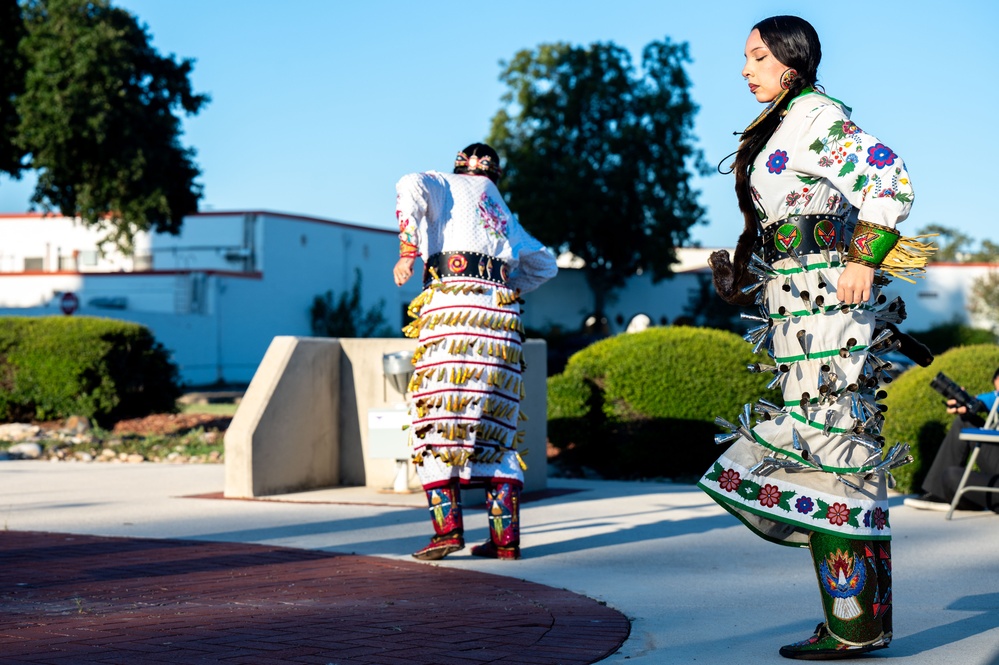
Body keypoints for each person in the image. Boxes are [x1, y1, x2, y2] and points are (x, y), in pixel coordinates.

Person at [698, 15, 931, 660]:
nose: (746, 70)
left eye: (756, 57)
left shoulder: (816, 118)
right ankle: (861, 622)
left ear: (790, 60)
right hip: (799, 300)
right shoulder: (783, 122)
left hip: (830, 298)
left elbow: (890, 180)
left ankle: (852, 623)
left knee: (828, 448)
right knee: (836, 450)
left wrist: (863, 259)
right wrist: (748, 273)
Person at [393, 143, 557, 561]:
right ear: (495, 175)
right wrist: (504, 287)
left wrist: (409, 252)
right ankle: (505, 541)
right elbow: (545, 264)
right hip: (501, 325)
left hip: (451, 314)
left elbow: (409, 183)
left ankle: (447, 533)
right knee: (495, 428)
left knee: (436, 421)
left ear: (458, 166)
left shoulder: (443, 183)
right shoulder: (503, 213)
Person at [904, 368, 999, 512]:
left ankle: (958, 498)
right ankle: (937, 494)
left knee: (952, 477)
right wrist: (963, 402)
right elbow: (978, 402)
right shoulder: (996, 397)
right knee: (952, 475)